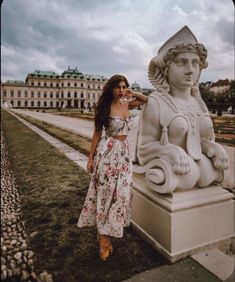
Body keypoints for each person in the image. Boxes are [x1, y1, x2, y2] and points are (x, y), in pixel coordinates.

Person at [136, 26, 229, 193]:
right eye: (181, 62)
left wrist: (211, 146)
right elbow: (143, 150)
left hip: (192, 172)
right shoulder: (156, 103)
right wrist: (170, 149)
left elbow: (195, 140)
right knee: (191, 175)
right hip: (176, 174)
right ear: (166, 68)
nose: (190, 70)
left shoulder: (199, 103)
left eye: (195, 63)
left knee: (208, 171)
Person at [77, 74, 148, 261]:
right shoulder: (105, 107)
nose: (122, 90)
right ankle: (104, 238)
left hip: (124, 154)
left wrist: (132, 92)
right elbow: (97, 133)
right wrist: (90, 158)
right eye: (119, 87)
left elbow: (146, 100)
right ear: (111, 89)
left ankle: (107, 232)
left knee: (123, 194)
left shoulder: (126, 103)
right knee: (106, 195)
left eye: (124, 86)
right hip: (108, 153)